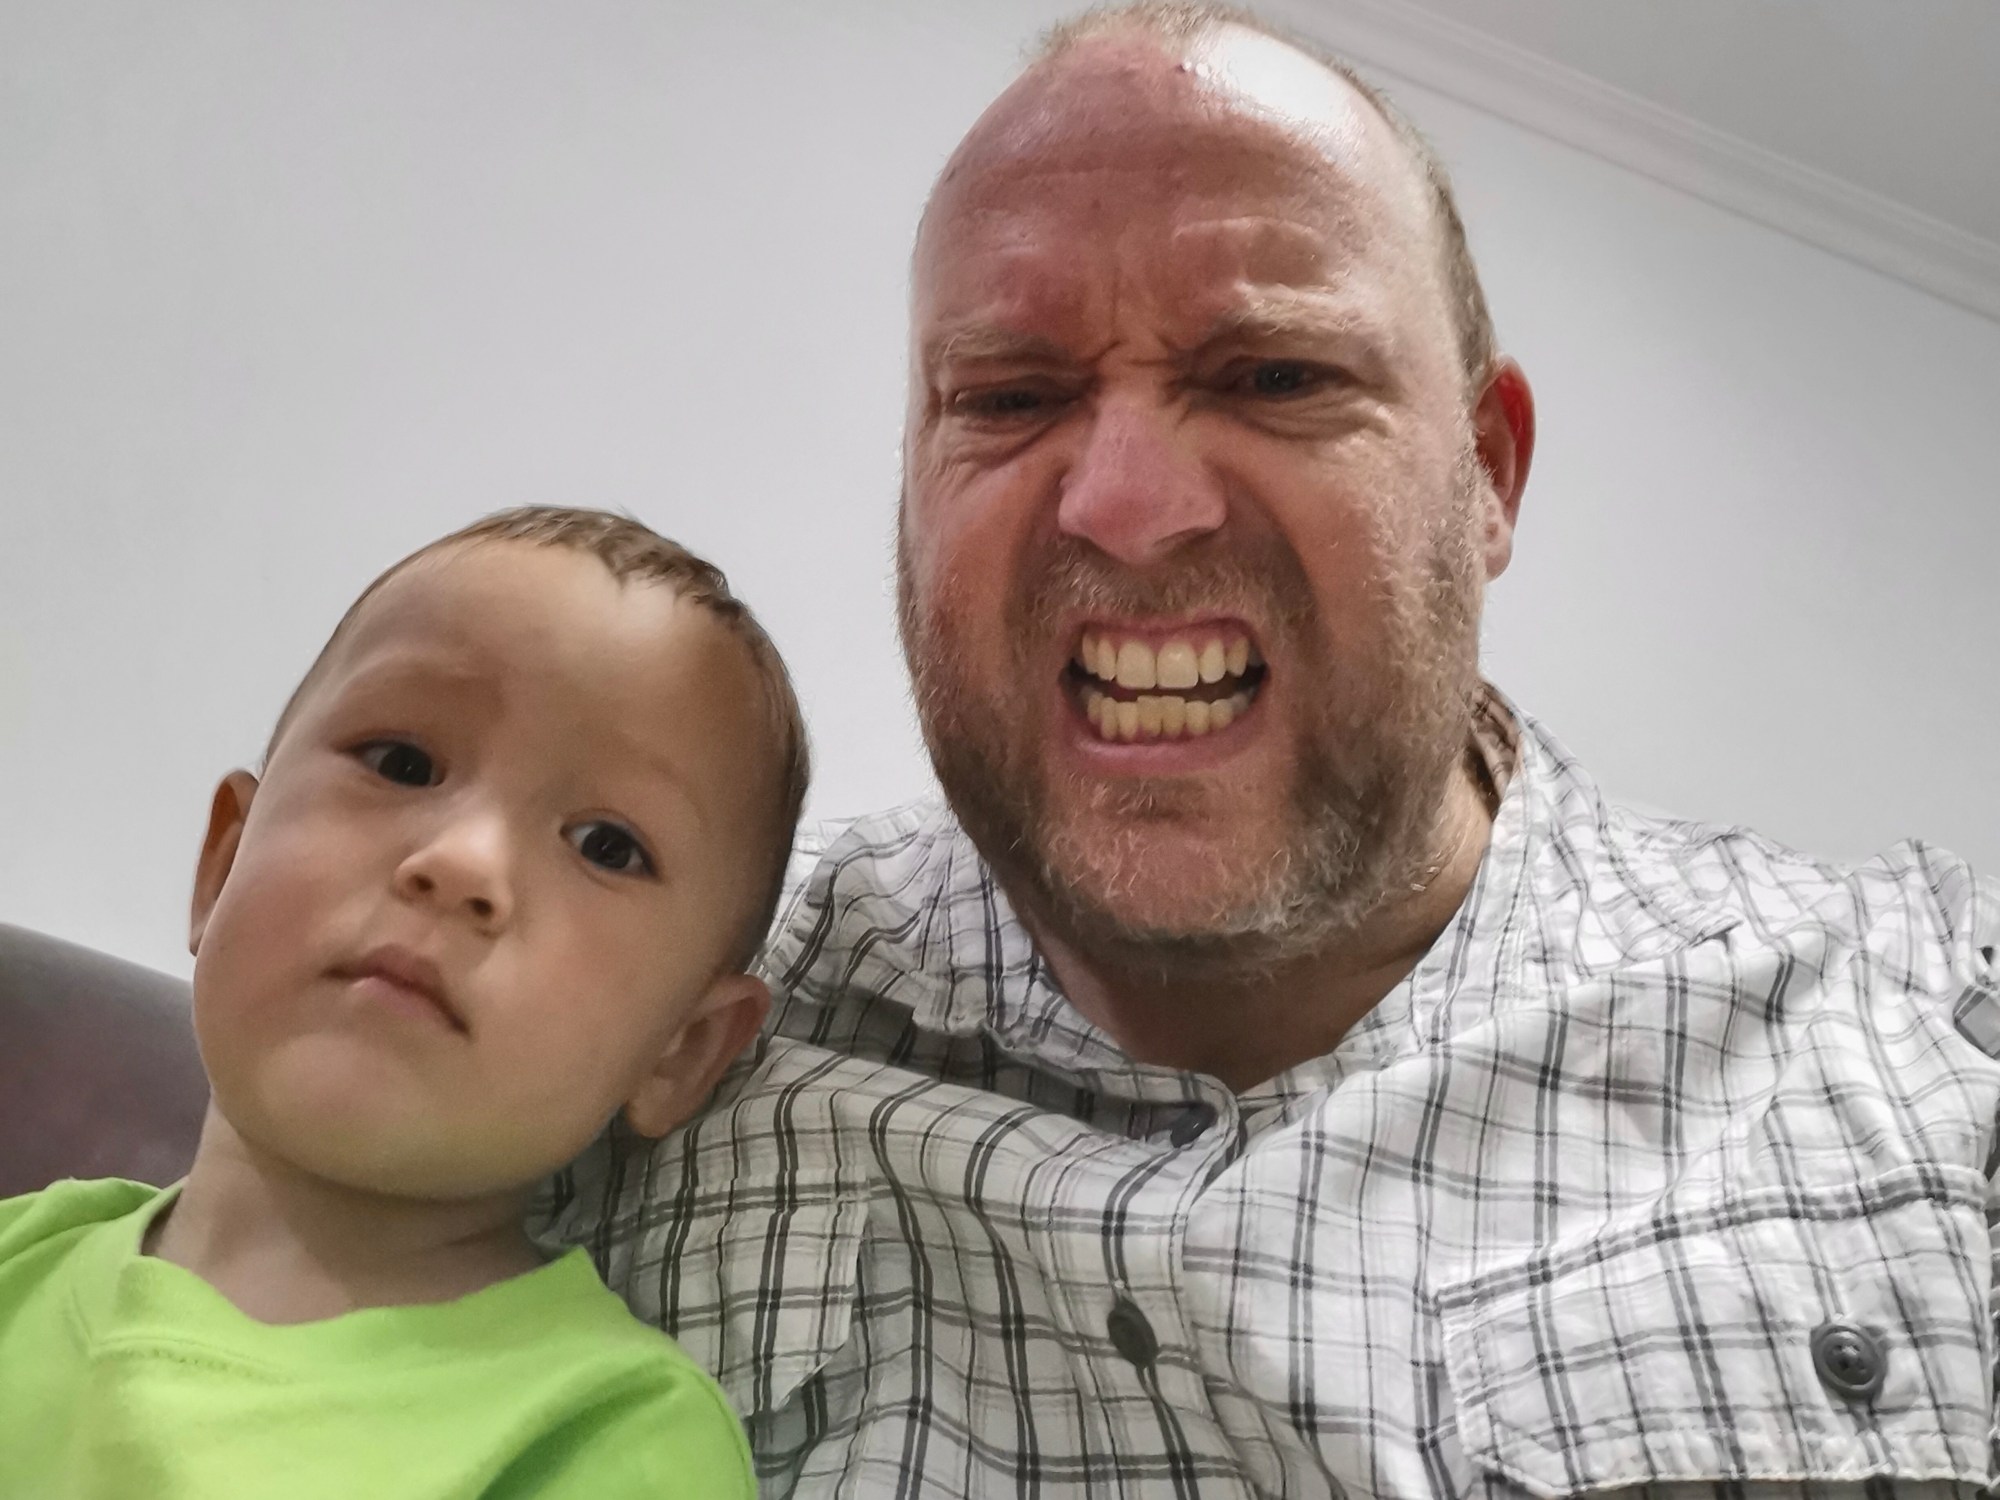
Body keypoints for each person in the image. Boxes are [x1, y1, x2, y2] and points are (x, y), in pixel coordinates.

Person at [543, 5, 2000, 1497]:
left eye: (1276, 376)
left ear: (1487, 475)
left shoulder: (1923, 1019)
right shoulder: (652, 1015)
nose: (1127, 506)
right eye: (1009, 398)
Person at [0, 507, 810, 1498]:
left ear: (681, 1049)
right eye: (402, 763)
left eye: (606, 847)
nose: (460, 863)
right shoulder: (22, 1252)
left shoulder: (611, 1432)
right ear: (222, 864)